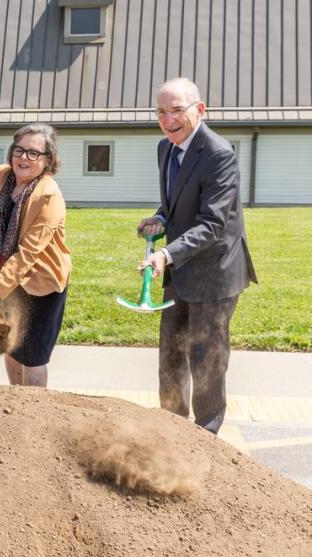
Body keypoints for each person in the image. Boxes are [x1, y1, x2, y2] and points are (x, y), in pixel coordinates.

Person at [137, 77, 257, 434]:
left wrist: (166, 255)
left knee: (206, 360)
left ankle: (207, 436)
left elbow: (213, 222)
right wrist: (160, 217)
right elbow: (178, 200)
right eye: (161, 111)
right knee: (171, 357)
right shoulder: (166, 148)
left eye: (177, 110)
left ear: (199, 110)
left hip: (215, 274)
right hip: (180, 270)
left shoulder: (219, 153)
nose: (168, 118)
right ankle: (173, 431)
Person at [0, 123, 72, 388]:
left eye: (34, 153)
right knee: (11, 346)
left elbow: (28, 254)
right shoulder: (1, 176)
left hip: (41, 285)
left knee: (33, 356)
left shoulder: (49, 196)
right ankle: (16, 402)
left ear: (48, 161)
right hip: (3, 274)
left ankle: (34, 412)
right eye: (19, 150)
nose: (24, 157)